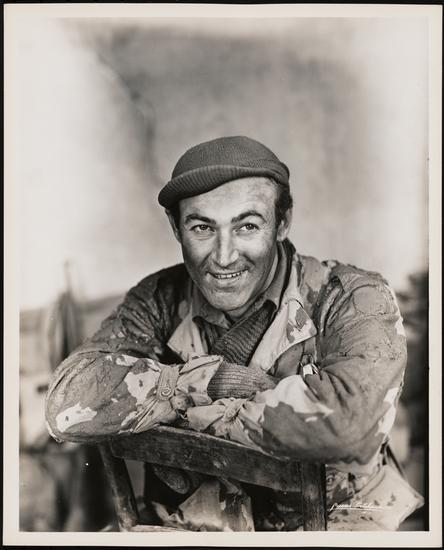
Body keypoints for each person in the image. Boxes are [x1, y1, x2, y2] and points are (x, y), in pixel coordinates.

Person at [45, 136, 423, 531]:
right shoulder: (158, 299)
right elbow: (65, 405)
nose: (224, 256)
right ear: (176, 227)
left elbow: (349, 427)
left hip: (331, 522)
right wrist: (211, 381)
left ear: (282, 222)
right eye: (202, 227)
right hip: (198, 524)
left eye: (247, 226)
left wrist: (176, 407)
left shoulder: (352, 297)